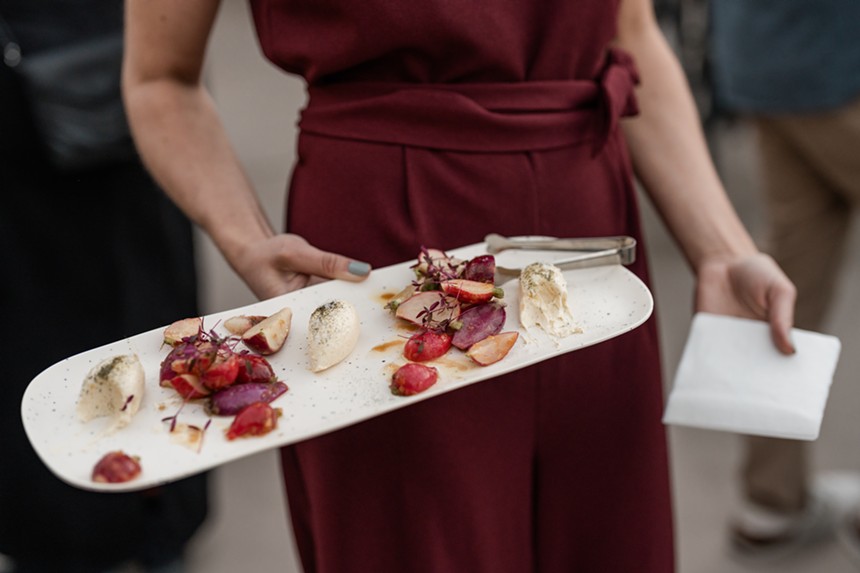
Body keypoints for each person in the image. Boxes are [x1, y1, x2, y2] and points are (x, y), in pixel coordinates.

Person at [122, 0, 797, 571]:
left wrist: (721, 248)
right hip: (383, 261)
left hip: (591, 251)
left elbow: (630, 32)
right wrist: (246, 236)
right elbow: (160, 76)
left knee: (608, 539)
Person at [0, 2, 209, 572]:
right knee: (39, 346)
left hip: (131, 72)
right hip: (39, 100)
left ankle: (155, 524)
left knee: (153, 328)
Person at [709, 0, 860, 561]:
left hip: (765, 62)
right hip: (839, 65)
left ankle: (771, 504)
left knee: (789, 282)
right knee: (788, 283)